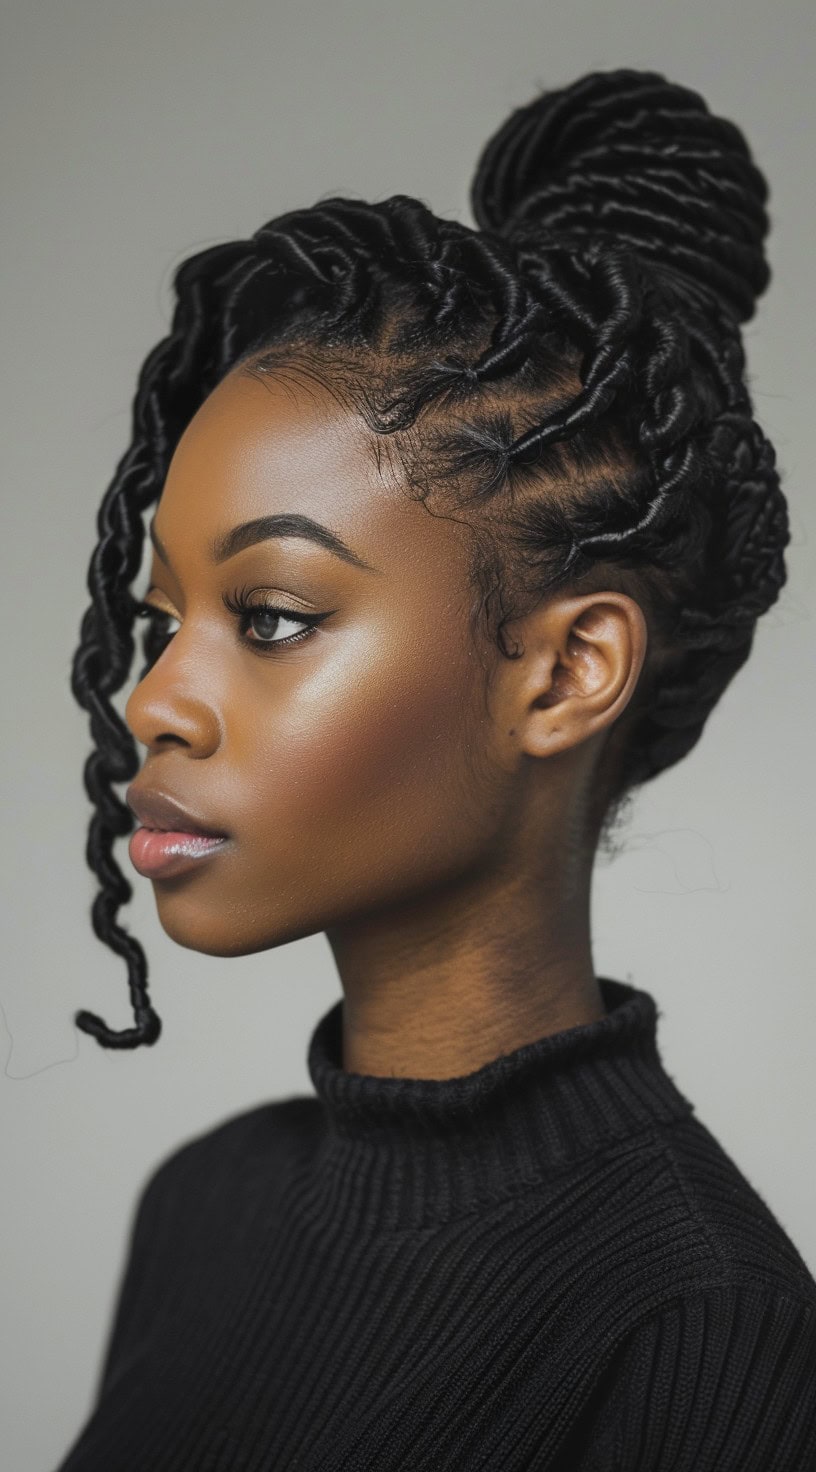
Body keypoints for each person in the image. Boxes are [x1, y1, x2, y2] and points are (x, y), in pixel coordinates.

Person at [57, 67, 816, 1471]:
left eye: (270, 617)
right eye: (164, 622)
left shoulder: (704, 1326)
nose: (154, 699)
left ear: (566, 672)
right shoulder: (204, 1205)